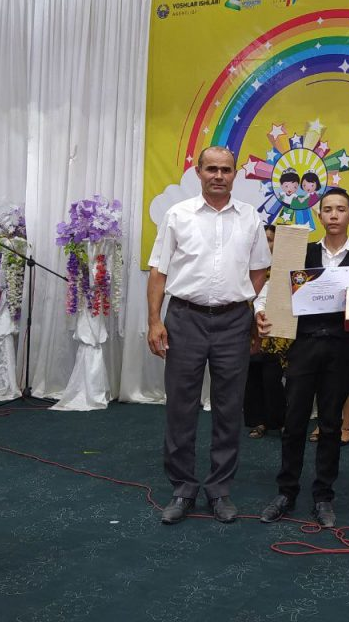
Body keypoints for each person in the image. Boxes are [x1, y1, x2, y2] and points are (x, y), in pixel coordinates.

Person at [147, 146, 271, 525]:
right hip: (184, 318)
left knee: (229, 408)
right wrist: (154, 321)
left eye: (226, 170)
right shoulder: (177, 215)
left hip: (233, 322)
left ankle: (219, 489)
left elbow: (259, 271)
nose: (219, 176)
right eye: (211, 169)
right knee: (180, 407)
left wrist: (245, 306)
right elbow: (158, 273)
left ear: (235, 174)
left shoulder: (250, 218)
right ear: (198, 172)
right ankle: (183, 488)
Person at [256, 187, 349, 528]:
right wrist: (261, 313)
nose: (334, 215)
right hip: (304, 346)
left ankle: (324, 496)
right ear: (319, 215)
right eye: (328, 209)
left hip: (341, 348)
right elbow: (270, 293)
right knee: (294, 421)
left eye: (341, 209)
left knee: (330, 425)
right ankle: (286, 492)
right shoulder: (301, 252)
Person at [243, 225, 290, 439]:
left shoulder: (285, 269)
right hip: (247, 329)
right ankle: (257, 422)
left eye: (270, 240)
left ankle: (279, 421)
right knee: (251, 376)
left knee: (272, 378)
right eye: (263, 240)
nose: (266, 244)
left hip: (275, 332)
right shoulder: (245, 267)